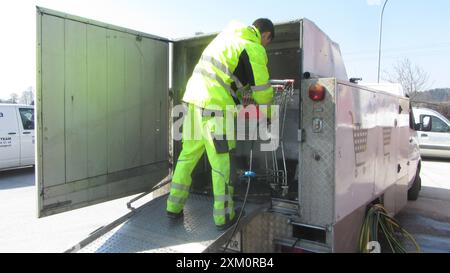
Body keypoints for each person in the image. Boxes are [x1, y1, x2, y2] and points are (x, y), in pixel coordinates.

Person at [166, 18, 275, 230]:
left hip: (193, 103)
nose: (265, 46)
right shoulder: (253, 47)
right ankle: (224, 217)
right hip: (215, 110)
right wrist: (268, 114)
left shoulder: (227, 37)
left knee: (187, 157)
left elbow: (228, 76)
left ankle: (173, 207)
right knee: (222, 166)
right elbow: (262, 91)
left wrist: (242, 92)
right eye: (267, 42)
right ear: (266, 35)